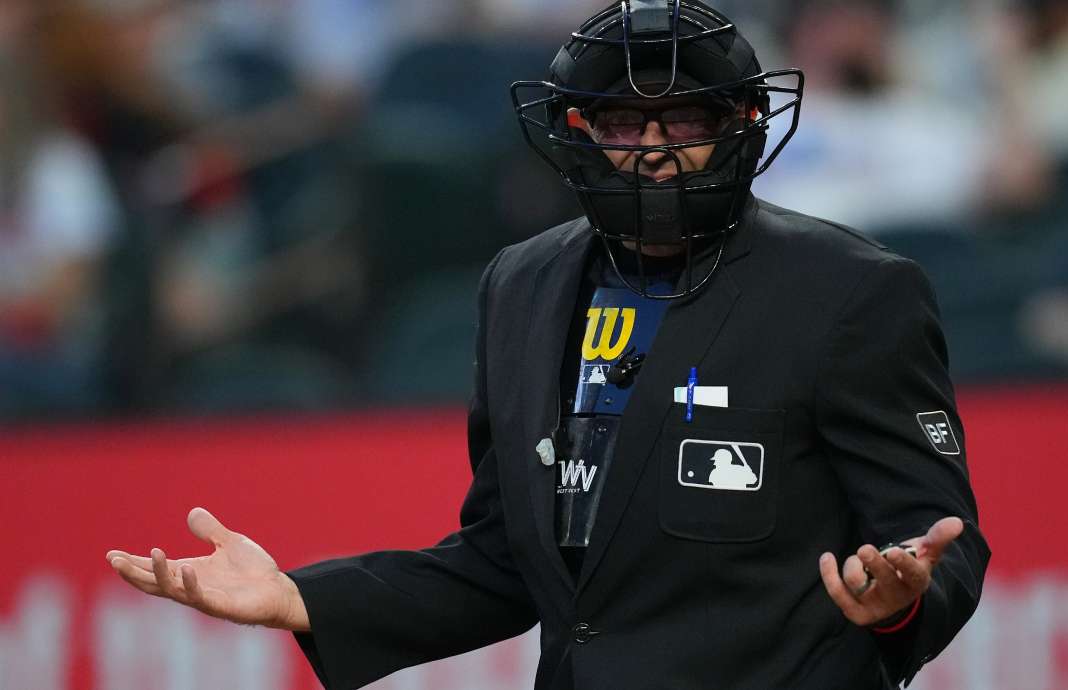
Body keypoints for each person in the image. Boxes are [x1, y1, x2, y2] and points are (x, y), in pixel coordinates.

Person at [105, 2, 990, 688]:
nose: (651, 150)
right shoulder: (520, 286)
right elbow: (503, 561)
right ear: (577, 136)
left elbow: (935, 540)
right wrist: (302, 598)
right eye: (618, 123)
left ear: (742, 126)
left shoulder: (852, 292)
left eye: (684, 120)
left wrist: (896, 606)